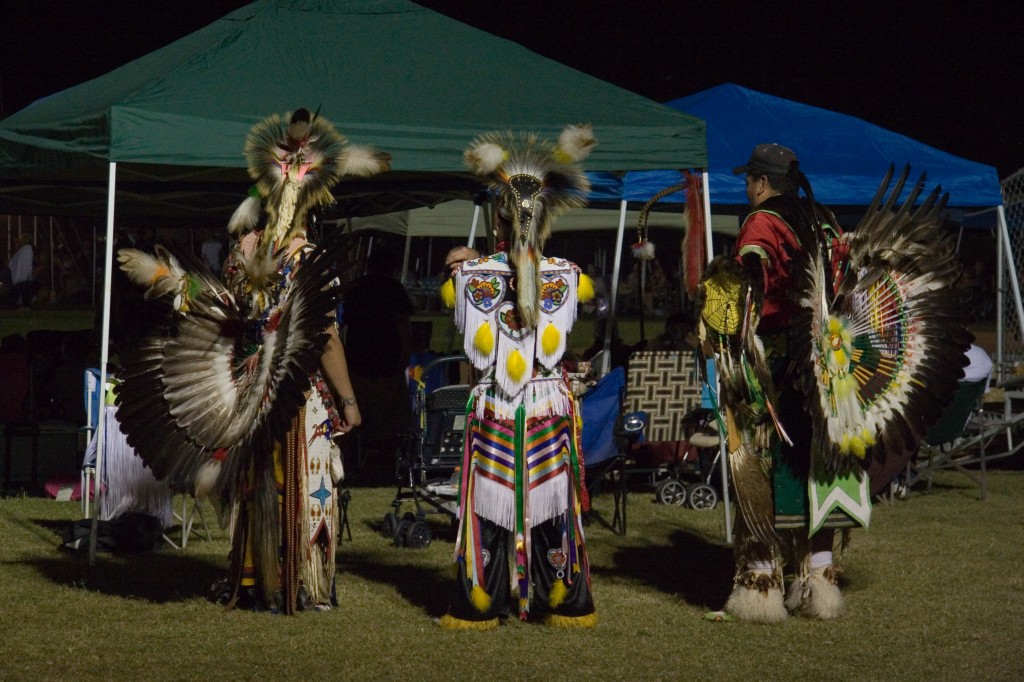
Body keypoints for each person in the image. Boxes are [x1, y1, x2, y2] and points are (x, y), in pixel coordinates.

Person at [114, 107, 389, 614]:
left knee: (255, 481)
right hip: (298, 401)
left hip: (245, 398)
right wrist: (349, 401)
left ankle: (252, 575)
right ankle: (295, 582)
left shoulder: (243, 253)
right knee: (303, 483)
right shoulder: (308, 262)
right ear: (313, 200)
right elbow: (325, 339)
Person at [701, 144, 968, 623]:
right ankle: (818, 581)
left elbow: (752, 279)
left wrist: (729, 316)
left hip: (779, 361)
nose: (746, 189)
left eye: (748, 182)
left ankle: (761, 586)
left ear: (761, 182)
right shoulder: (820, 217)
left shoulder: (761, 222)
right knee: (821, 463)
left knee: (764, 460)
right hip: (828, 368)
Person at [438, 125, 598, 629]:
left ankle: (482, 603)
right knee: (550, 504)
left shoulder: (469, 277)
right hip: (546, 401)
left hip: (499, 405)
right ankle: (562, 600)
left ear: (497, 217)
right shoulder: (570, 276)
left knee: (489, 505)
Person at [341, 247, 415, 482]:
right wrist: (405, 356)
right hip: (386, 364)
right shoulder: (394, 289)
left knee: (357, 421)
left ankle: (353, 465)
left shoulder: (354, 288)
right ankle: (387, 468)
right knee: (388, 424)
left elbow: (344, 326)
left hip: (357, 363)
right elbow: (403, 325)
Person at [9, 235, 35, 309]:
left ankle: (26, 306)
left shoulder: (27, 249)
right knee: (23, 290)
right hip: (22, 275)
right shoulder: (24, 250)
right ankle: (25, 305)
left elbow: (26, 262)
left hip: (23, 275)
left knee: (25, 290)